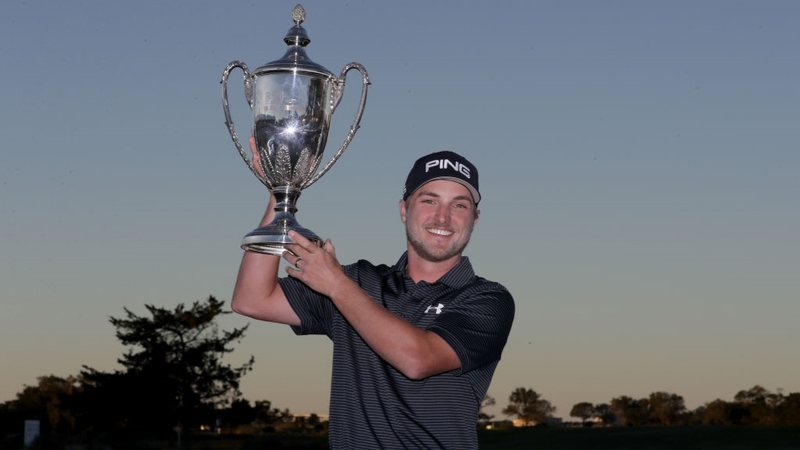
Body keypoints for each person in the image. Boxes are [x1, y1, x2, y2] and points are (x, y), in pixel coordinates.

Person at [231, 138, 515, 450]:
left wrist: (336, 286)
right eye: (429, 201)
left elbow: (417, 359)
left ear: (475, 218)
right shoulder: (359, 282)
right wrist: (280, 194)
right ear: (404, 210)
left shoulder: (488, 299)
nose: (443, 218)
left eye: (459, 205)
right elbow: (252, 299)